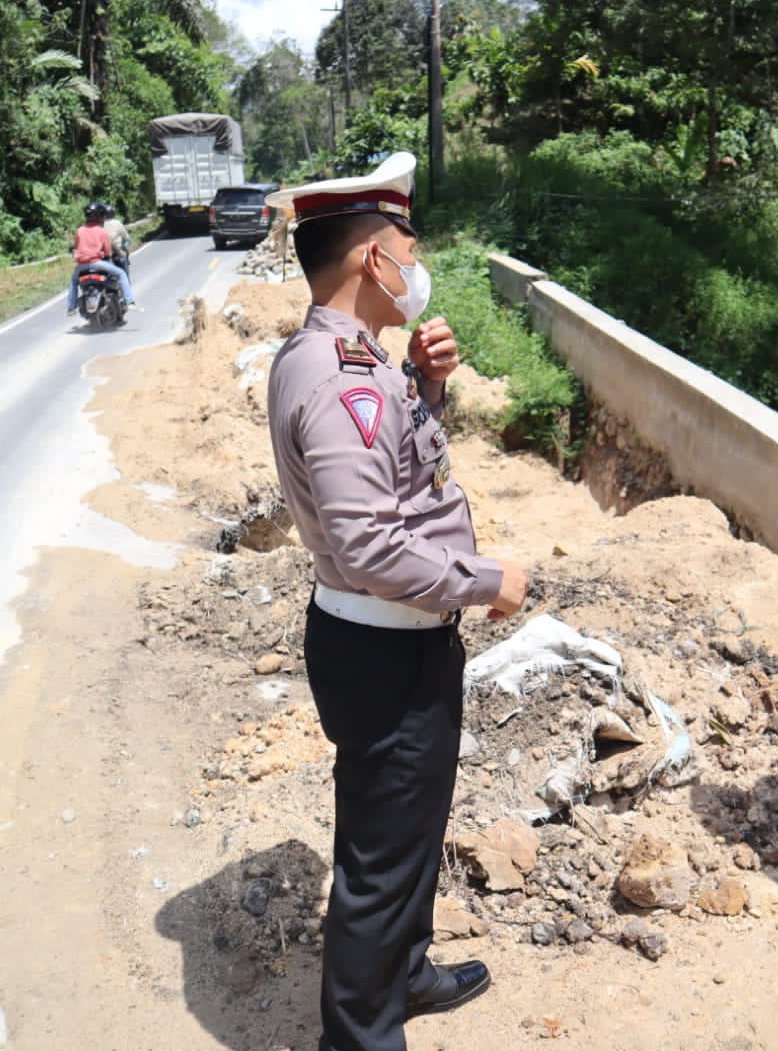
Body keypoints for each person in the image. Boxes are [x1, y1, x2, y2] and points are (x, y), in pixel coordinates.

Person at [264, 153, 529, 1051]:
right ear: (372, 262)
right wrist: (487, 582)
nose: (418, 268)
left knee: (407, 832)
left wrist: (426, 386)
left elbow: (400, 479)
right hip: (385, 650)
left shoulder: (360, 360)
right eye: (407, 248)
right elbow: (366, 545)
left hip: (401, 643)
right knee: (379, 862)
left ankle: (403, 971)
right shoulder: (338, 378)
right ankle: (360, 1031)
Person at [66, 202, 133, 314]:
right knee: (121, 274)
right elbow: (107, 251)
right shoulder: (101, 231)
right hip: (97, 263)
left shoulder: (80, 230)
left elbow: (76, 246)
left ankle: (71, 307)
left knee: (73, 282)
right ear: (100, 216)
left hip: (81, 266)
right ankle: (129, 301)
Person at [99, 202, 132, 275]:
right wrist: (127, 240)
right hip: (116, 251)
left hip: (103, 252)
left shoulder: (100, 224)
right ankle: (126, 277)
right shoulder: (117, 223)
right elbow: (125, 236)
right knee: (124, 257)